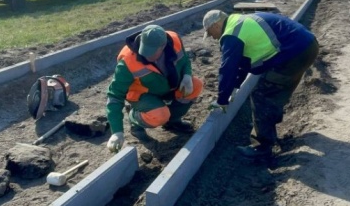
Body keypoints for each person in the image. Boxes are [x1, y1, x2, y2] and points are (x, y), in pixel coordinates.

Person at [203, 9, 319, 159]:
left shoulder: (231, 34)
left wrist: (222, 100)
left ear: (216, 25)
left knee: (261, 97)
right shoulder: (241, 22)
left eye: (210, 33)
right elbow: (242, 63)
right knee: (275, 92)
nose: (212, 37)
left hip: (293, 55)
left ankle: (262, 147)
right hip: (307, 47)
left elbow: (228, 68)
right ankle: (270, 129)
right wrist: (234, 87)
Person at [106, 24, 204, 153]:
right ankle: (134, 119)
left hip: (168, 86)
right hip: (142, 94)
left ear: (163, 46)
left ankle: (172, 122)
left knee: (196, 85)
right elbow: (114, 95)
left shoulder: (174, 41)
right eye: (144, 51)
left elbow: (185, 60)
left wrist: (187, 74)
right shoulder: (127, 61)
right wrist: (117, 131)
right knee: (159, 115)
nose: (146, 56)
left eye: (151, 52)